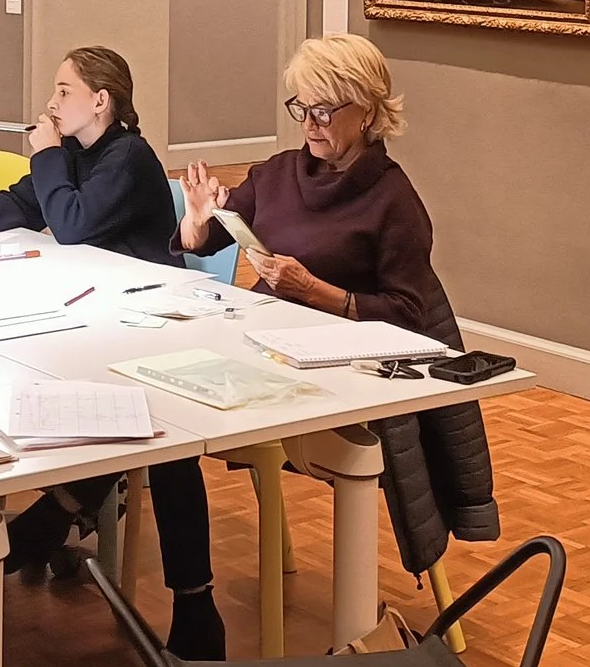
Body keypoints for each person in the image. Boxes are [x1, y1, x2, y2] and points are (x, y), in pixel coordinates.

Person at [0, 49, 221, 667]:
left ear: (101, 101)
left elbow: (71, 222)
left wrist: (43, 156)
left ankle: (194, 608)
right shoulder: (77, 150)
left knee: (169, 445)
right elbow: (29, 201)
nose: (51, 102)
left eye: (64, 91)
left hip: (153, 326)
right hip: (96, 320)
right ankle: (68, 504)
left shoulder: (128, 157)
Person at [179, 35, 497, 575]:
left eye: (324, 109)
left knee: (186, 432)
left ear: (367, 111)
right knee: (175, 418)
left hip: (343, 373)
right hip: (267, 349)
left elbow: (408, 316)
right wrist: (196, 218)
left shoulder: (394, 201)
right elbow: (206, 241)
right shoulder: (277, 173)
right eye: (301, 107)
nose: (310, 123)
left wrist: (315, 291)